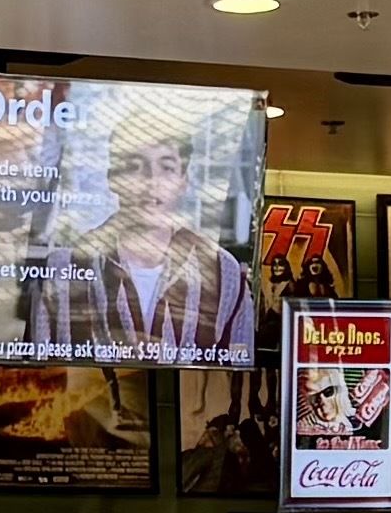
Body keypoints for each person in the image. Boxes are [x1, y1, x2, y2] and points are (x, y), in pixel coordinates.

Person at [25, 106, 249, 361]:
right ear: (113, 178)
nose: (150, 181)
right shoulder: (63, 267)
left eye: (166, 168)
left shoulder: (223, 271)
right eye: (134, 166)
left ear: (183, 180)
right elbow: (38, 373)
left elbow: (237, 380)